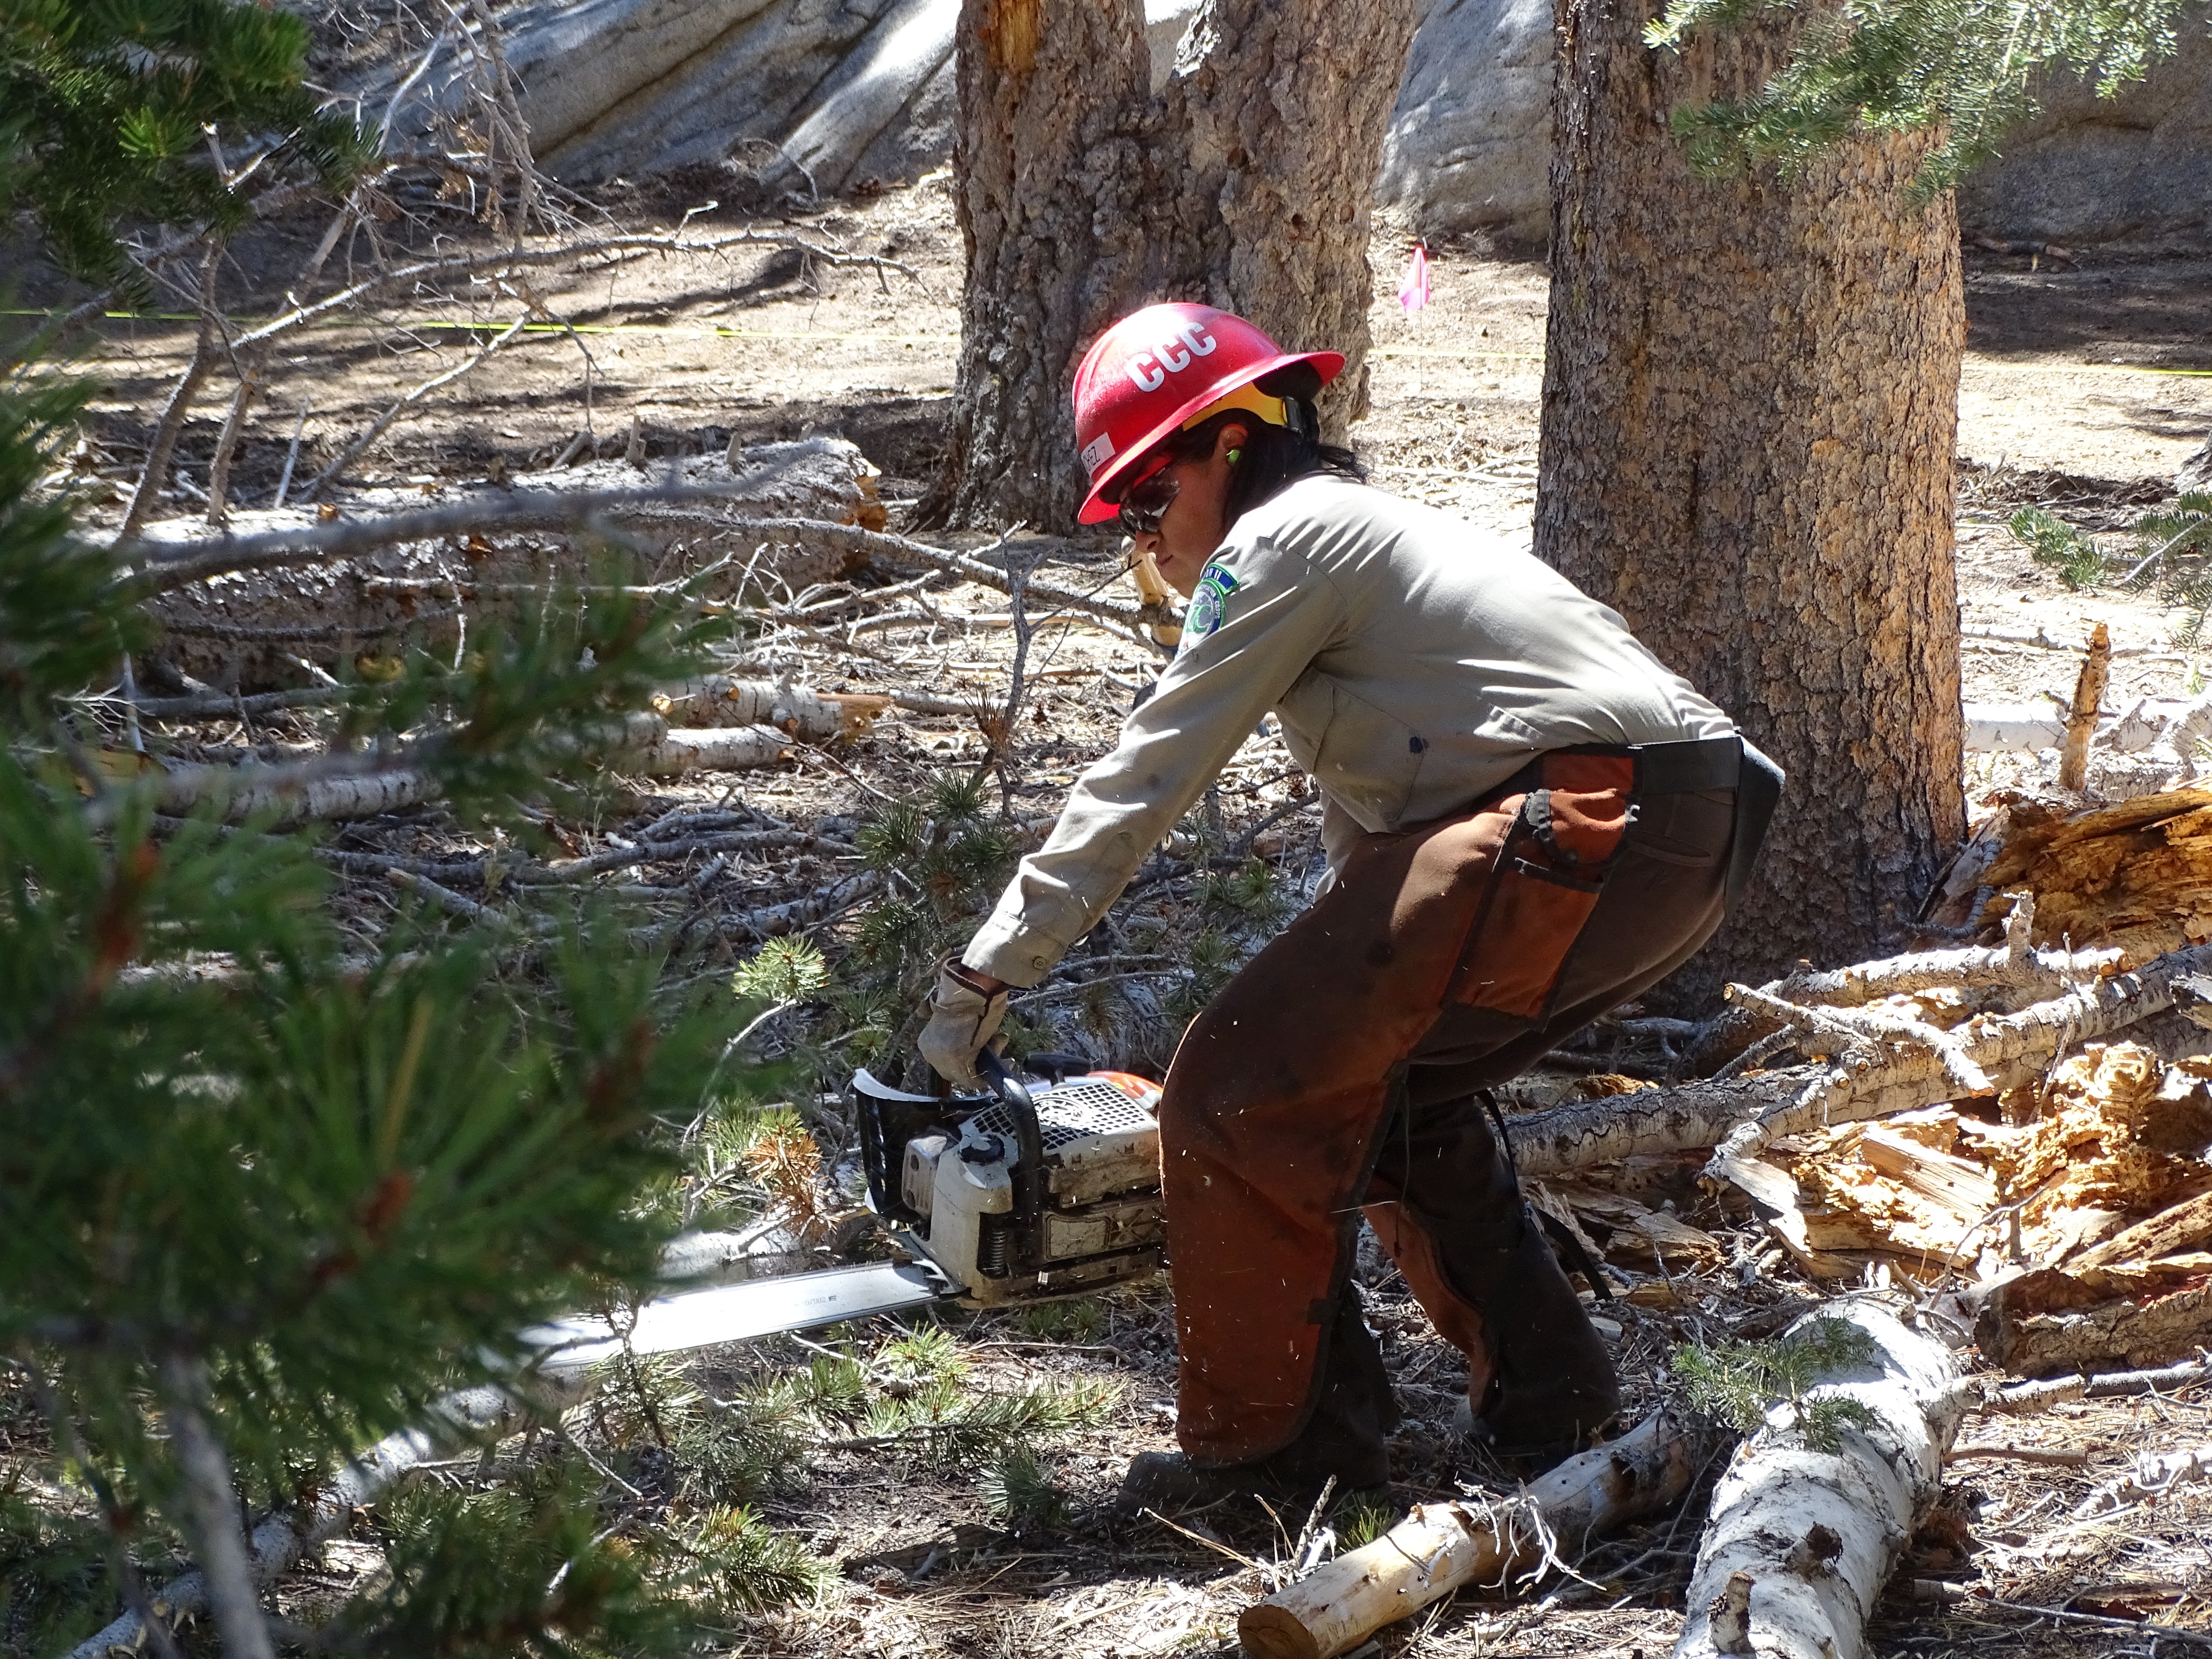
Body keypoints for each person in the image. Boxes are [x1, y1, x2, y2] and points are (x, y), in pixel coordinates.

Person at [919, 302, 1781, 1504]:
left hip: (1588, 810)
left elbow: (1150, 768)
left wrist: (989, 970)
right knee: (1388, 1092)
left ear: (1230, 443)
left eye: (1147, 496)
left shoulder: (1285, 540)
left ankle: (1279, 1461)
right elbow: (1387, 837)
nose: (1142, 537)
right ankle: (1557, 1408)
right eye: (1120, 513)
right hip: (1680, 825)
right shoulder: (1361, 551)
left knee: (1231, 1089)